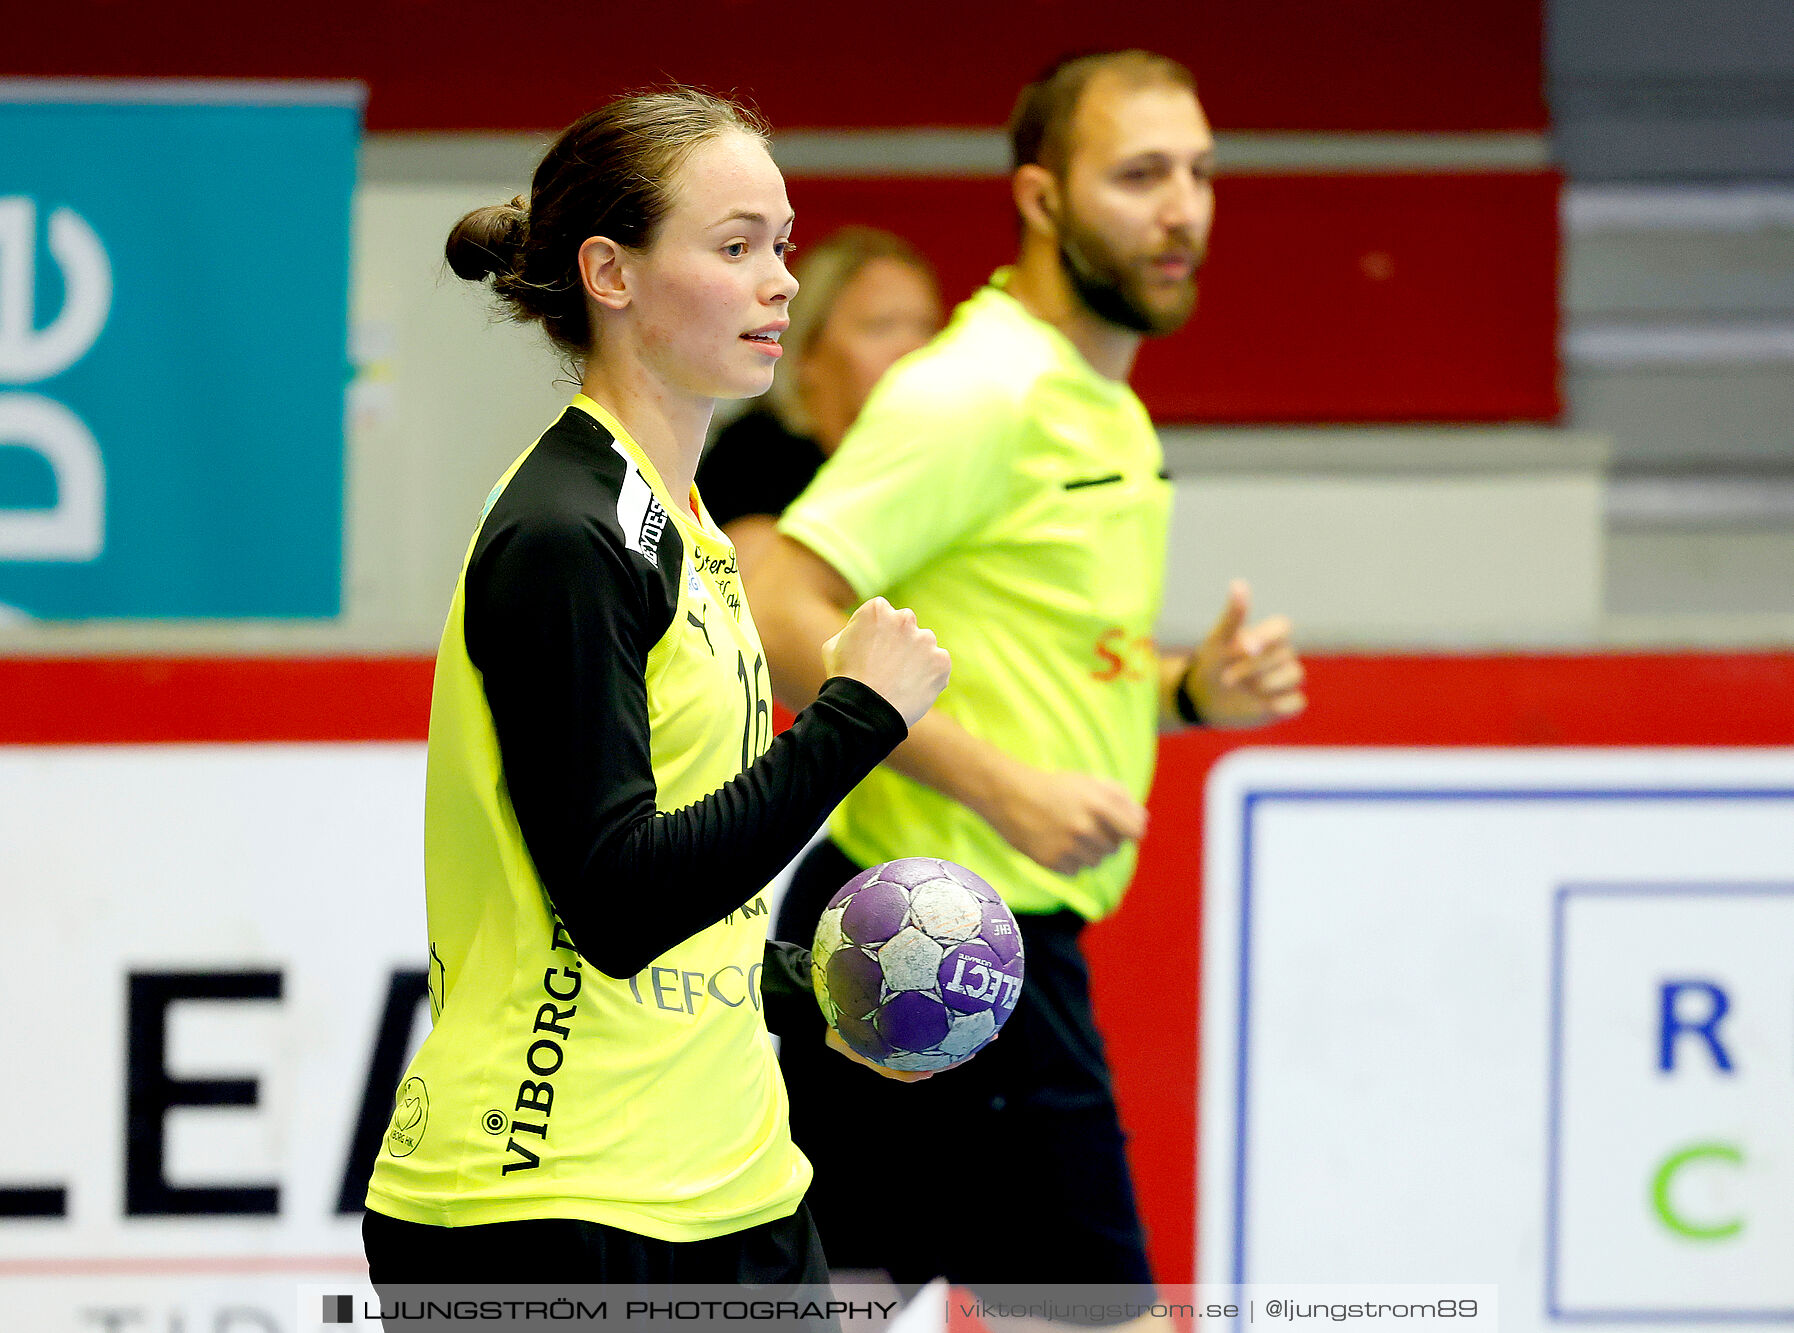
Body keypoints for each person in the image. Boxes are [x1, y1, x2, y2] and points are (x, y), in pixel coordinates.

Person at [361, 88, 952, 1289]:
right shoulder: (565, 533)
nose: (780, 280)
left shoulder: (687, 526)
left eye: (781, 244)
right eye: (736, 247)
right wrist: (855, 720)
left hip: (739, 1188)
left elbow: (699, 914)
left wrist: (821, 992)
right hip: (555, 1203)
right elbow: (619, 901)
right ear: (610, 274)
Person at [746, 51, 1307, 1290]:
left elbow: (1031, 652)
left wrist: (1186, 691)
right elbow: (782, 600)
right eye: (1141, 175)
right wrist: (1002, 787)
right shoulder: (978, 392)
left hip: (931, 932)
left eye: (1202, 173)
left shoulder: (1104, 404)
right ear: (1044, 199)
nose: (1184, 209)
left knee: (837, 1294)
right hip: (949, 925)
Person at [696, 226, 942, 574]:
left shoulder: (928, 460)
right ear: (804, 352)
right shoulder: (752, 460)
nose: (913, 349)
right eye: (881, 327)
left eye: (927, 327)